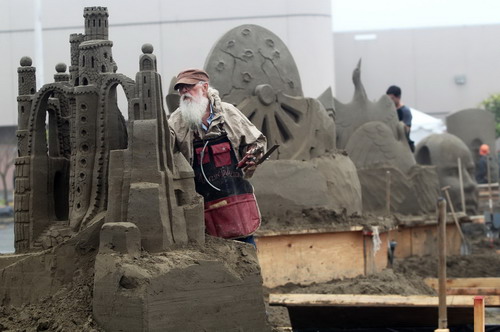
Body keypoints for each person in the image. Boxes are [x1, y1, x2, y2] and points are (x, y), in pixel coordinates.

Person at [168, 69, 266, 246]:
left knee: (247, 259)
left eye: (189, 87)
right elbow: (166, 159)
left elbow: (256, 142)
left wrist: (252, 154)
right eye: (180, 88)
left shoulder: (229, 114)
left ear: (204, 88)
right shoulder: (175, 123)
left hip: (237, 200)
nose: (183, 92)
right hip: (202, 206)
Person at [386, 85, 414, 152]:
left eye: (392, 98)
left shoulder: (405, 111)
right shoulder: (388, 110)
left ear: (398, 97)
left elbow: (407, 130)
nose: (390, 101)